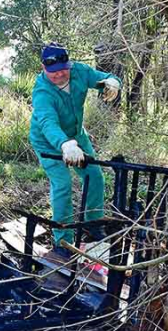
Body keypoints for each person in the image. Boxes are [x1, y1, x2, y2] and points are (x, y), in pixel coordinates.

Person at [29, 43, 121, 258]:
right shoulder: (42, 92)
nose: (60, 74)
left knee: (95, 177)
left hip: (77, 136)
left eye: (63, 68)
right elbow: (47, 123)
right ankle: (63, 242)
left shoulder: (80, 71)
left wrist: (113, 82)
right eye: (54, 71)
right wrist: (65, 145)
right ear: (44, 68)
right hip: (48, 141)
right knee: (62, 184)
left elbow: (104, 77)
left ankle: (92, 223)